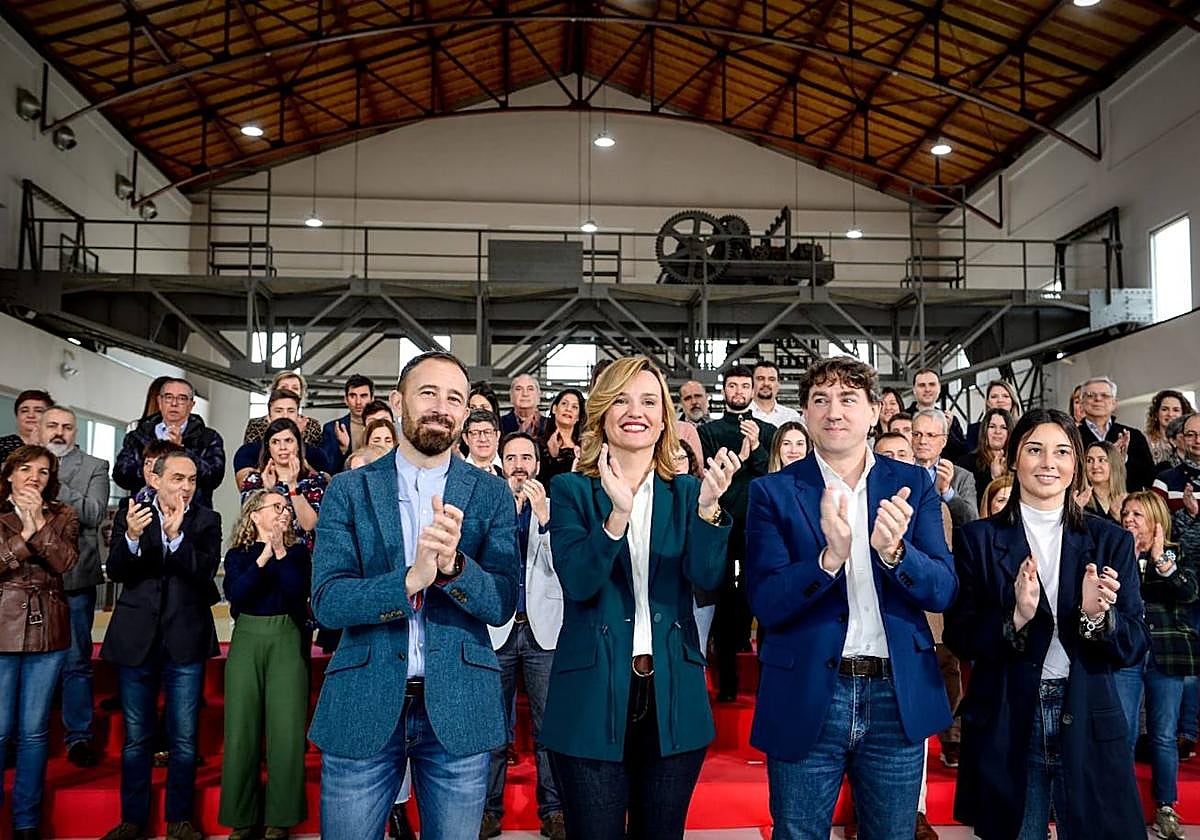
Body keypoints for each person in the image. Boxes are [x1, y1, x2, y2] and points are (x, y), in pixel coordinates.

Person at [743, 355, 956, 840]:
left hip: (894, 693)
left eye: (847, 399)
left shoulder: (913, 485)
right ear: (806, 413)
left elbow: (943, 590)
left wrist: (896, 553)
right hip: (809, 691)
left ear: (875, 409)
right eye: (820, 400)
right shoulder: (773, 492)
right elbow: (766, 600)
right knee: (798, 832)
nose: (834, 411)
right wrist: (828, 561)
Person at [310, 350, 518, 840]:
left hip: (459, 705)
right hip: (363, 700)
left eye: (454, 398)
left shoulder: (491, 495)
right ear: (397, 401)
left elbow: (502, 601)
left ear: (466, 414)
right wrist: (409, 580)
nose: (441, 407)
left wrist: (452, 569)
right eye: (428, 393)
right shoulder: (348, 490)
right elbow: (328, 601)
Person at [541, 355, 737, 839]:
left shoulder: (689, 491)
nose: (637, 411)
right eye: (624, 400)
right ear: (603, 412)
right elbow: (579, 583)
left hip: (673, 691)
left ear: (664, 416)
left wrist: (710, 511)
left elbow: (707, 577)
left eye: (650, 401)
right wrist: (617, 519)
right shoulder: (570, 490)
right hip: (589, 695)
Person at [944, 408, 1148, 840]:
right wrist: (1015, 615)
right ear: (1014, 458)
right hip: (1008, 713)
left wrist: (1099, 618)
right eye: (1034, 450)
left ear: (1076, 464)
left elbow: (1133, 645)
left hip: (1087, 708)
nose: (1048, 463)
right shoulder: (977, 540)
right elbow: (960, 636)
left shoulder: (1110, 540)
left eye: (1061, 452)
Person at [100, 450, 222, 840]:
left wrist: (175, 536)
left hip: (185, 638)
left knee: (184, 739)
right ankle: (132, 820)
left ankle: (179, 819)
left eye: (191, 480)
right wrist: (133, 538)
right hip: (137, 637)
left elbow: (205, 577)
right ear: (155, 479)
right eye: (177, 479)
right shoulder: (132, 515)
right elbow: (118, 572)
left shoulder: (206, 520)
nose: (185, 487)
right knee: (137, 739)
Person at [482, 433, 565, 840]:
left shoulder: (556, 503)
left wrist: (543, 518)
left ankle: (554, 811)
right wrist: (509, 516)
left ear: (537, 463)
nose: (518, 464)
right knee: (493, 728)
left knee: (550, 728)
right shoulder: (490, 503)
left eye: (526, 457)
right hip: (497, 629)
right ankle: (487, 810)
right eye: (511, 457)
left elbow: (564, 566)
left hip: (542, 631)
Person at [218, 490, 311, 840]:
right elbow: (237, 595)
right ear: (254, 515)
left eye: (286, 508)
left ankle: (280, 818)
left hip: (286, 637)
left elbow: (295, 594)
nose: (283, 512)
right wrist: (264, 557)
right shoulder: (239, 555)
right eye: (276, 507)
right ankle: (242, 817)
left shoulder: (298, 554)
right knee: (241, 728)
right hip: (247, 638)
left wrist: (281, 552)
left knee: (286, 730)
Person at [0, 445, 80, 840]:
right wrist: (24, 535)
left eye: (44, 472)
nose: (35, 477)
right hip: (2, 626)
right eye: (26, 469)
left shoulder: (63, 514)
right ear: (10, 474)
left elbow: (65, 562)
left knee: (34, 732)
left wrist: (38, 525)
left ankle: (26, 822)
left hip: (48, 629)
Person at [1113, 491, 1196, 839]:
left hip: (1167, 655)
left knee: (1163, 735)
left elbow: (1190, 592)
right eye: (1126, 513)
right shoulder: (1115, 554)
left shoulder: (1176, 553)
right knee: (1124, 733)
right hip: (1127, 654)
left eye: (1137, 515)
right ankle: (1121, 806)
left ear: (1155, 520)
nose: (1129, 520)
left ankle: (1166, 807)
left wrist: (1163, 561)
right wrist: (1126, 560)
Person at [698, 364, 776, 702]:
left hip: (762, 529)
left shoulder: (771, 431)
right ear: (724, 390)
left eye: (745, 385)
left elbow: (771, 472)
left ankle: (767, 684)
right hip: (725, 527)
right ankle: (727, 685)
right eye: (733, 385)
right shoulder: (710, 431)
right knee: (728, 601)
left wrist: (755, 448)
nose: (740, 391)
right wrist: (742, 455)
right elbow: (711, 476)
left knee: (763, 601)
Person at [40, 406, 110, 768]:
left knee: (76, 660)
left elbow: (95, 513)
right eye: (51, 425)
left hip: (75, 579)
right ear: (38, 428)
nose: (58, 433)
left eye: (66, 427)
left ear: (75, 431)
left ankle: (78, 736)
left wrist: (50, 481)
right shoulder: (21, 464)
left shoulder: (95, 466)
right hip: (27, 582)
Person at [113, 377, 226, 508]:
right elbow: (120, 475)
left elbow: (214, 477)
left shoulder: (208, 437)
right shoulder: (138, 435)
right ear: (160, 402)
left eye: (182, 398)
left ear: (191, 405)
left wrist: (182, 451)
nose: (174, 403)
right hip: (144, 512)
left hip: (192, 515)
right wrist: (148, 469)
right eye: (168, 397)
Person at [239, 418, 326, 551]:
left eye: (288, 441)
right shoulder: (254, 481)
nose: (282, 447)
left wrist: (292, 485)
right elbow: (252, 525)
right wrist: (269, 491)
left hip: (303, 558)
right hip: (263, 555)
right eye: (275, 442)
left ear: (298, 445)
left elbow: (308, 525)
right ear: (268, 447)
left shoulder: (316, 481)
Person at [1076, 376, 1156, 491]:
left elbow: (1149, 477)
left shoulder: (1133, 435)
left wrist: (1124, 459)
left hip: (1127, 504)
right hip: (1086, 504)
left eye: (1105, 395)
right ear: (1081, 402)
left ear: (1114, 403)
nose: (1098, 399)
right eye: (1090, 395)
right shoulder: (1071, 437)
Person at [233, 389, 329, 484]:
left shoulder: (316, 454)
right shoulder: (248, 451)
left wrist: (304, 466)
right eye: (278, 411)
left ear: (298, 415)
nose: (285, 416)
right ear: (269, 417)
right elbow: (244, 486)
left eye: (291, 411)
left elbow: (328, 487)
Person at [912, 408, 978, 528]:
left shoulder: (962, 477)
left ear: (943, 442)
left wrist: (947, 492)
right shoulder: (901, 472)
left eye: (930, 435)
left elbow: (971, 520)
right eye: (917, 434)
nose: (922, 441)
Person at [242, 371, 324, 449]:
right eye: (284, 387)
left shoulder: (311, 425)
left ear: (301, 393)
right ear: (274, 390)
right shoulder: (256, 425)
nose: (289, 390)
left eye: (295, 388)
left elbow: (316, 459)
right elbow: (249, 456)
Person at [320, 374, 375, 474]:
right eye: (353, 396)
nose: (358, 402)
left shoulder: (381, 428)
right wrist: (343, 450)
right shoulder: (331, 429)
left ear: (372, 399)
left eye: (363, 396)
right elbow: (327, 469)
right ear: (345, 399)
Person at [909, 369, 967, 462]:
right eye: (922, 385)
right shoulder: (904, 418)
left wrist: (947, 431)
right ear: (914, 389)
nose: (927, 389)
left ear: (939, 388)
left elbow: (961, 453)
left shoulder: (951, 420)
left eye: (932, 384)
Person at [965, 408, 1013, 507]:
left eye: (1003, 427)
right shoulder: (966, 463)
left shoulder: (1018, 463)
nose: (997, 431)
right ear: (984, 431)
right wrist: (993, 478)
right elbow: (971, 505)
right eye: (992, 426)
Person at [1155, 413, 1200, 515]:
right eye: (1190, 435)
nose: (1197, 440)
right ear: (1183, 438)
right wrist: (1188, 514)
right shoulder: (1164, 480)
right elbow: (1156, 521)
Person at [537, 388, 585, 486]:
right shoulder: (538, 444)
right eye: (564, 404)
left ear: (578, 417)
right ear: (554, 409)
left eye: (574, 407)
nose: (568, 409)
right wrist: (552, 456)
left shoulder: (584, 447)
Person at [964, 381, 1022, 453]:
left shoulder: (1024, 428)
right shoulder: (975, 430)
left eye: (1006, 396)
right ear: (988, 402)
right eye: (994, 397)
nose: (1000, 400)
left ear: (1012, 401)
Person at [0, 390, 54, 464]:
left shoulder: (61, 447)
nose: (30, 415)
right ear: (17, 416)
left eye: (38, 411)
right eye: (24, 411)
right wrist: (30, 451)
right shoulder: (2, 444)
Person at [1078, 440, 1126, 522]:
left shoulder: (1127, 502)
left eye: (1101, 460)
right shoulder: (1079, 502)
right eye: (1089, 460)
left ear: (1114, 464)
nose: (1095, 466)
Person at [1147, 390, 1195, 468]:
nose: (1170, 414)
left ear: (1183, 414)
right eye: (1164, 409)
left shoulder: (1193, 440)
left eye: (1176, 410)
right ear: (1156, 413)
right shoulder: (1145, 441)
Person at [751, 360, 802, 426]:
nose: (766, 383)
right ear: (751, 383)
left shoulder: (791, 417)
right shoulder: (741, 414)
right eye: (760, 378)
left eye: (771, 379)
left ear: (778, 384)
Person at [462, 410, 503, 475]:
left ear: (498, 435)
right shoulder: (456, 472)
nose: (482, 439)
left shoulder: (510, 468)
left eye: (487, 432)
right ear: (465, 438)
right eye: (475, 433)